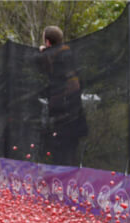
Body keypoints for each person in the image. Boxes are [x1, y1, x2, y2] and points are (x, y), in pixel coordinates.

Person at [35, 25, 88, 167]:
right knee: (66, 150)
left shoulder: (63, 56)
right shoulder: (65, 53)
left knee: (65, 152)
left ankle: (66, 182)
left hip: (67, 111)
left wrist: (57, 98)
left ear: (47, 42)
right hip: (70, 109)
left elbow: (73, 84)